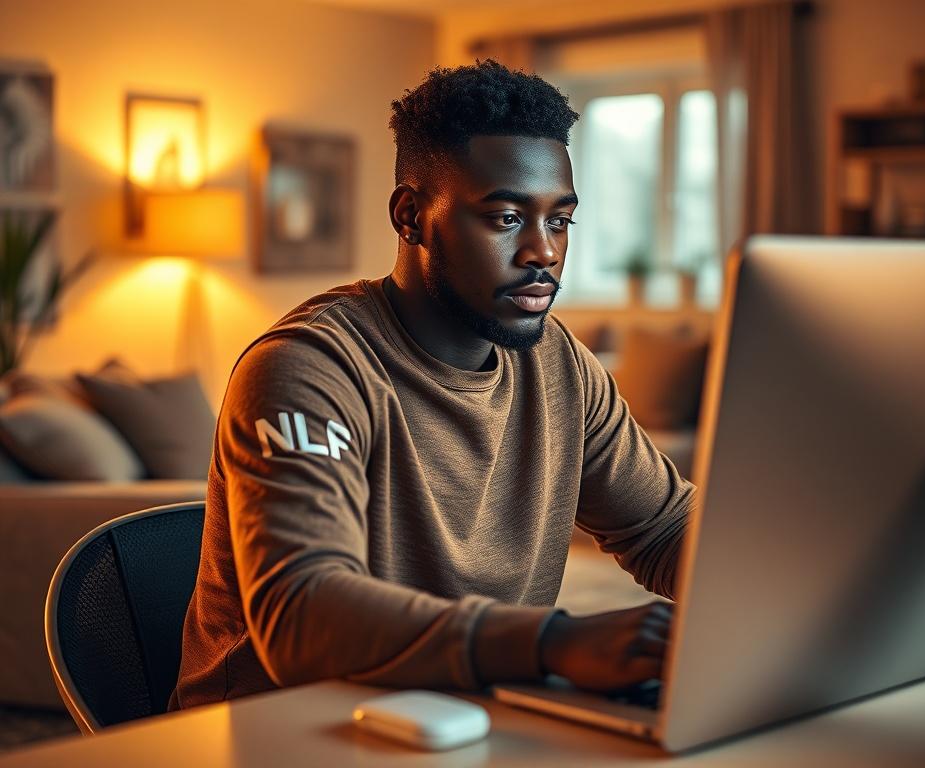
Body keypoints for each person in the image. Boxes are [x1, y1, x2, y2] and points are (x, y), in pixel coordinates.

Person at [170, 60, 693, 710]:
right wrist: (552, 643)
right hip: (282, 734)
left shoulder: (560, 365)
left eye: (560, 221)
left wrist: (801, 583)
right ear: (410, 215)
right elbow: (300, 612)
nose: (544, 253)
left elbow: (667, 529)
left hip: (463, 720)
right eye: (506, 219)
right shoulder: (305, 369)